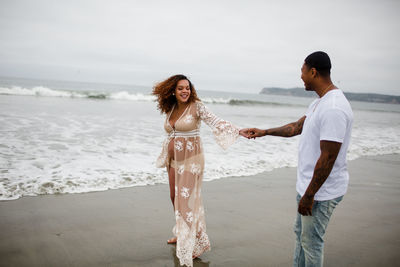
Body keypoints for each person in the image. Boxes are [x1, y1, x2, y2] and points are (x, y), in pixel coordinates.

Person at [244, 51, 353, 267]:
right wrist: (264, 132)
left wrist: (309, 195)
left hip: (321, 192)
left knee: (311, 243)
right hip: (309, 188)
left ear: (313, 72)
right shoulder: (319, 103)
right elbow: (296, 127)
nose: (301, 77)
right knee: (301, 235)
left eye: (302, 72)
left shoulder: (334, 108)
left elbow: (328, 157)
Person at [153, 74, 248, 267]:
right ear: (173, 90)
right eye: (180, 88)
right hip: (173, 159)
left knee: (186, 201)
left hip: (191, 160)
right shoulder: (171, 108)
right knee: (174, 197)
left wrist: (239, 130)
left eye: (187, 87)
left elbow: (215, 121)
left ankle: (195, 243)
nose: (185, 91)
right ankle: (182, 234)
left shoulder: (197, 106)